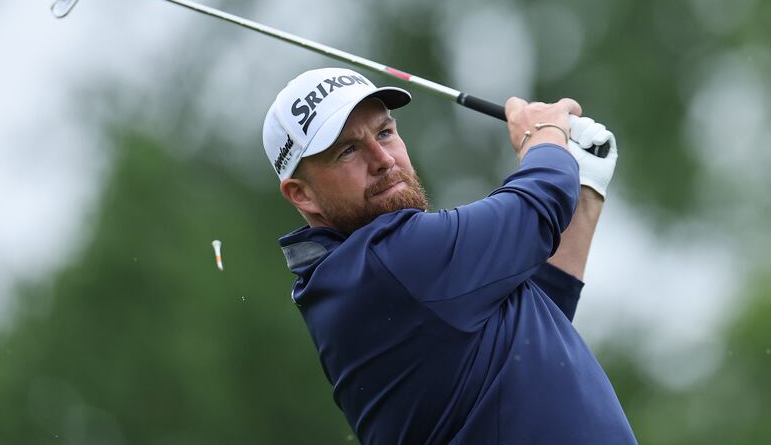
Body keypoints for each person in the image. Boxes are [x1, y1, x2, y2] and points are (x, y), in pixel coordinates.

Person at [262, 67, 637, 444]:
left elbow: (537, 316)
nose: (382, 159)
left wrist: (585, 185)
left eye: (385, 133)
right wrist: (543, 134)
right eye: (348, 151)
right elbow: (539, 203)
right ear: (302, 194)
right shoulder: (388, 261)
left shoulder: (365, 279)